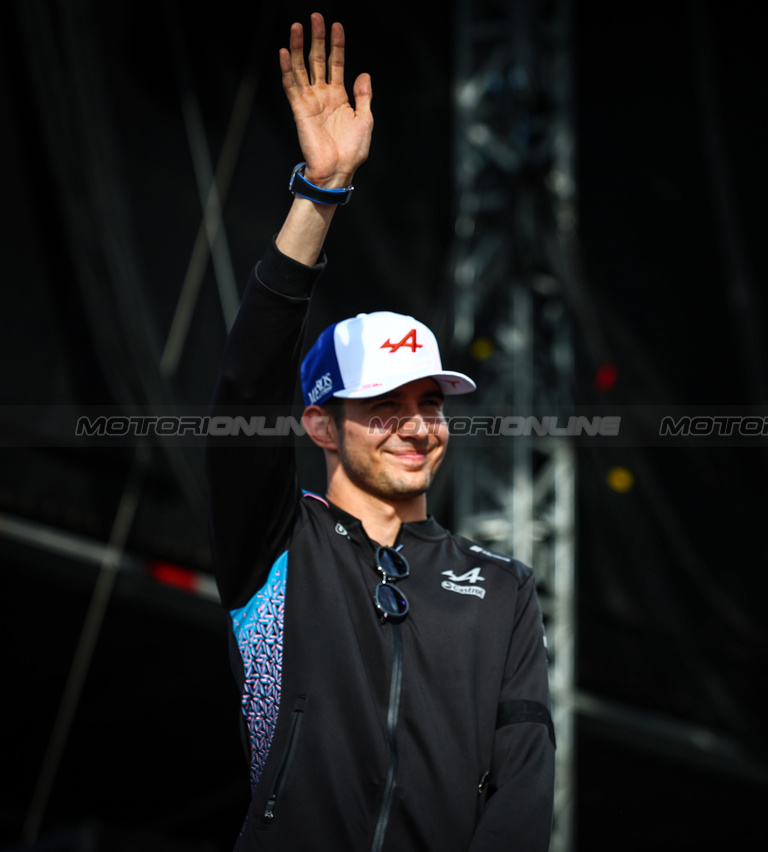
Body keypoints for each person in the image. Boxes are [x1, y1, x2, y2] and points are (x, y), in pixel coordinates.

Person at [205, 14, 554, 851]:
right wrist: (319, 196)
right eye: (383, 405)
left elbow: (524, 783)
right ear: (320, 424)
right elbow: (245, 386)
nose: (417, 426)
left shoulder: (503, 587)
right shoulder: (278, 544)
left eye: (430, 402)